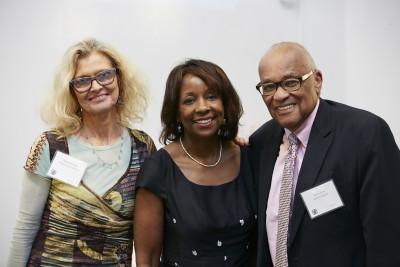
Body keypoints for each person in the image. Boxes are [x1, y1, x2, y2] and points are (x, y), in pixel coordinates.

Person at [249, 41, 400, 267]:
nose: (279, 95)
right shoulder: (261, 143)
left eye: (291, 82)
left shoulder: (366, 135)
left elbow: (388, 242)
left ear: (317, 80)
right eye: (269, 87)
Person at [7, 38, 155, 266]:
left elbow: (149, 233)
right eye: (83, 81)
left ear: (120, 79)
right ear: (72, 91)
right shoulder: (51, 145)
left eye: (105, 75)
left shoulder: (143, 148)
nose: (96, 86)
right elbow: (26, 227)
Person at [134, 59, 257, 266]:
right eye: (189, 101)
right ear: (176, 112)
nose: (202, 107)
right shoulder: (159, 169)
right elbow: (148, 259)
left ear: (226, 105)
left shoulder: (250, 158)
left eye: (211, 97)